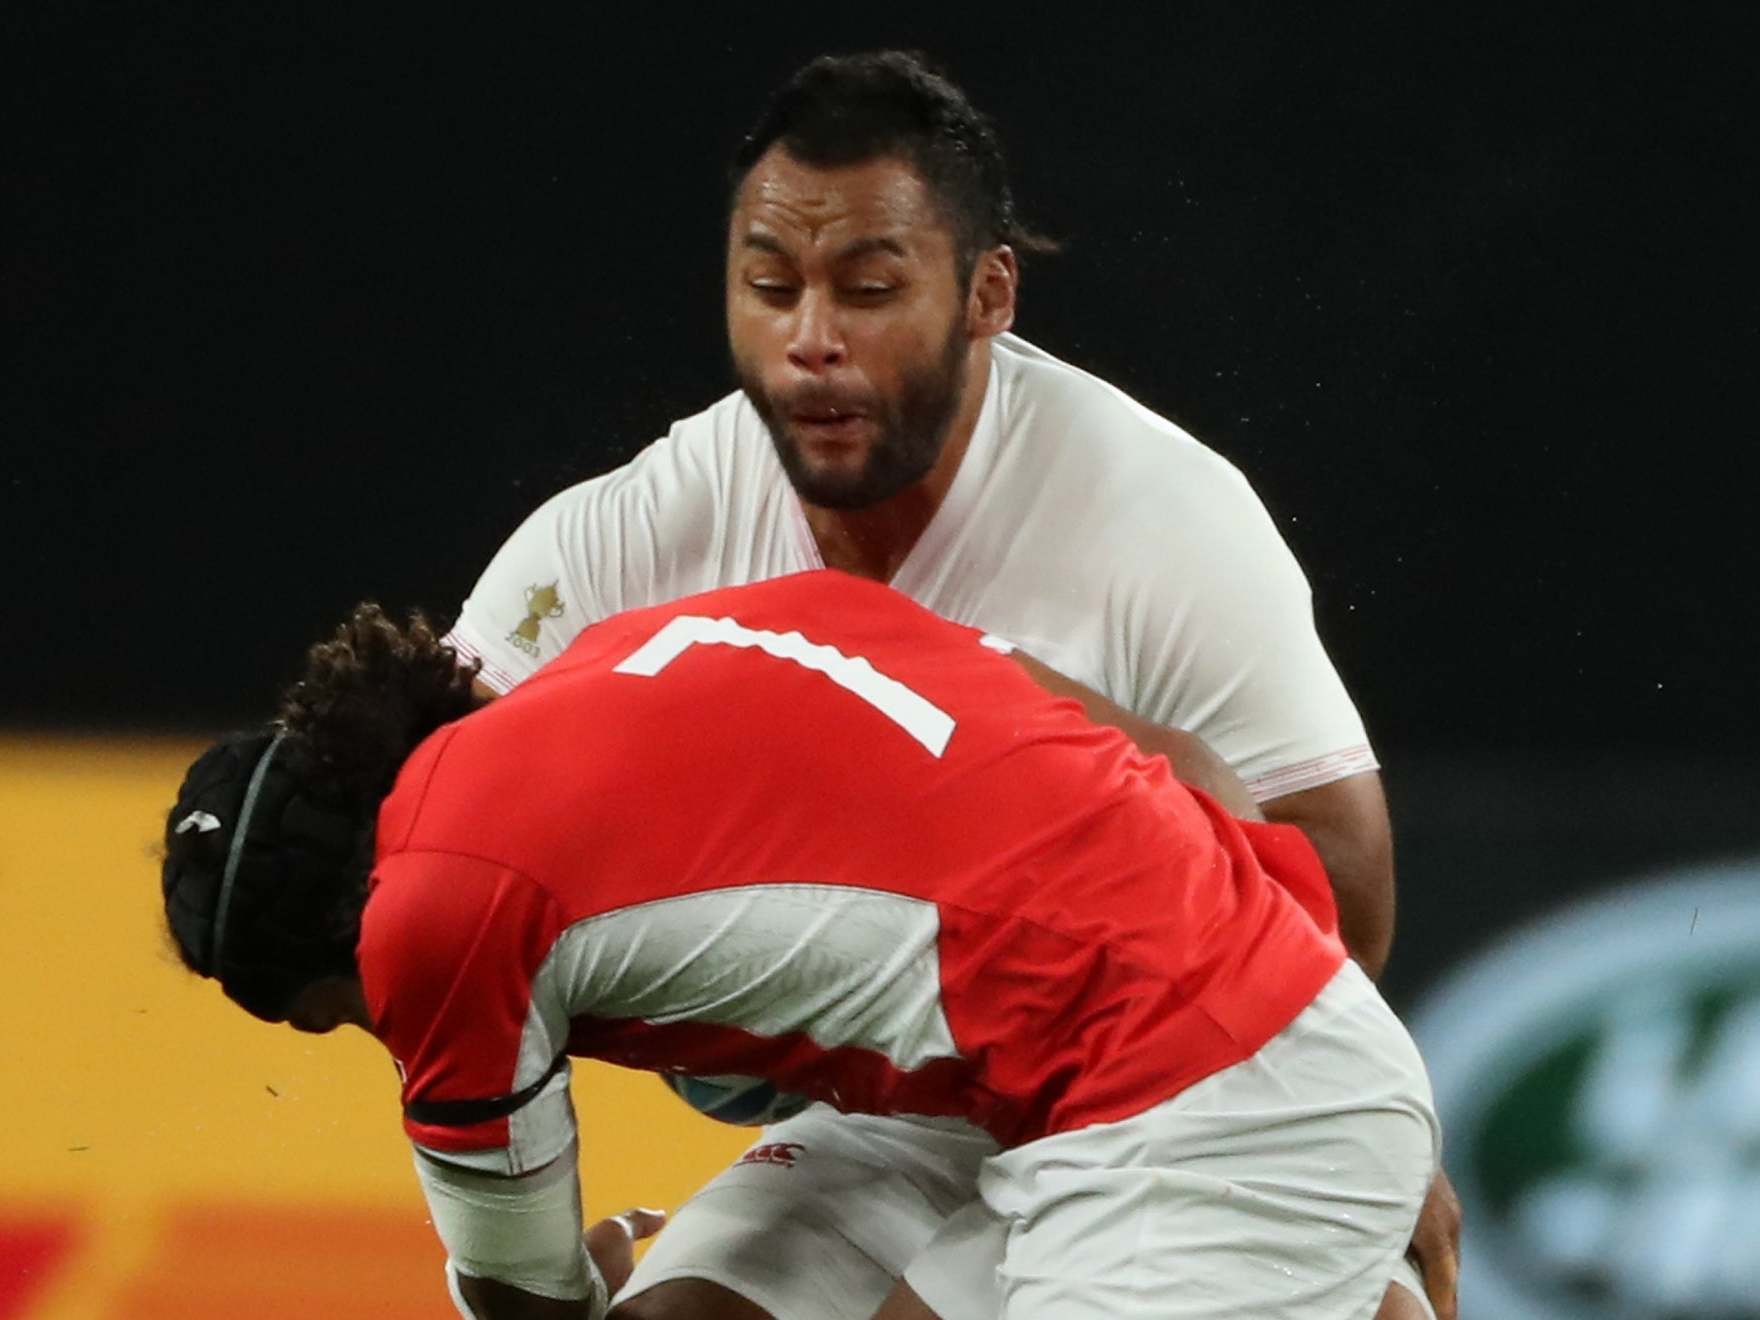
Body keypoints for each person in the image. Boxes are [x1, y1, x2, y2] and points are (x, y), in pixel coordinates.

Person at [441, 50, 1456, 1320]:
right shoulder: (629, 534)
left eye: (867, 289)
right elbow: (429, 836)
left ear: (988, 295)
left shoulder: (1155, 514)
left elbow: (1344, 898)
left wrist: (1340, 1117)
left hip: (1145, 1085)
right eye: (768, 287)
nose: (809, 342)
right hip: (900, 1113)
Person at [161, 573, 1439, 1319]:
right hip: (1051, 1070)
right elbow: (1120, 743)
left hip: (1200, 1097)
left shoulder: (428, 910)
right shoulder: (649, 640)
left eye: (346, 1014)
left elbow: (526, 1300)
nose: (391, 1025)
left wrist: (1304, 1092)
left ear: (346, 936)